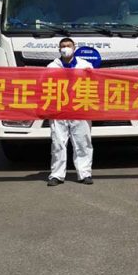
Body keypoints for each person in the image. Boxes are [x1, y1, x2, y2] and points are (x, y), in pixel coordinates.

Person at [46, 37, 95, 186]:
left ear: (74, 48)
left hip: (80, 108)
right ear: (59, 49)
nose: (65, 48)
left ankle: (84, 173)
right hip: (58, 109)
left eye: (68, 45)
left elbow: (95, 84)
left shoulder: (85, 66)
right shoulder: (51, 67)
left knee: (83, 142)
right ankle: (56, 175)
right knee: (58, 143)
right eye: (63, 46)